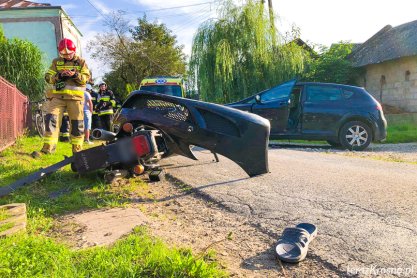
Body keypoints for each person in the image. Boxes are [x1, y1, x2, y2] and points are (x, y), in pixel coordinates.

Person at [33, 38, 90, 156]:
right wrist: (59, 75)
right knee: (51, 120)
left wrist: (75, 75)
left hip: (75, 99)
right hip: (57, 97)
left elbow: (86, 78)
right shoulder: (56, 62)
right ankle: (47, 150)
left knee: (77, 125)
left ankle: (77, 152)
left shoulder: (81, 62)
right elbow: (48, 77)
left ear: (74, 51)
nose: (67, 56)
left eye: (69, 54)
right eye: (64, 54)